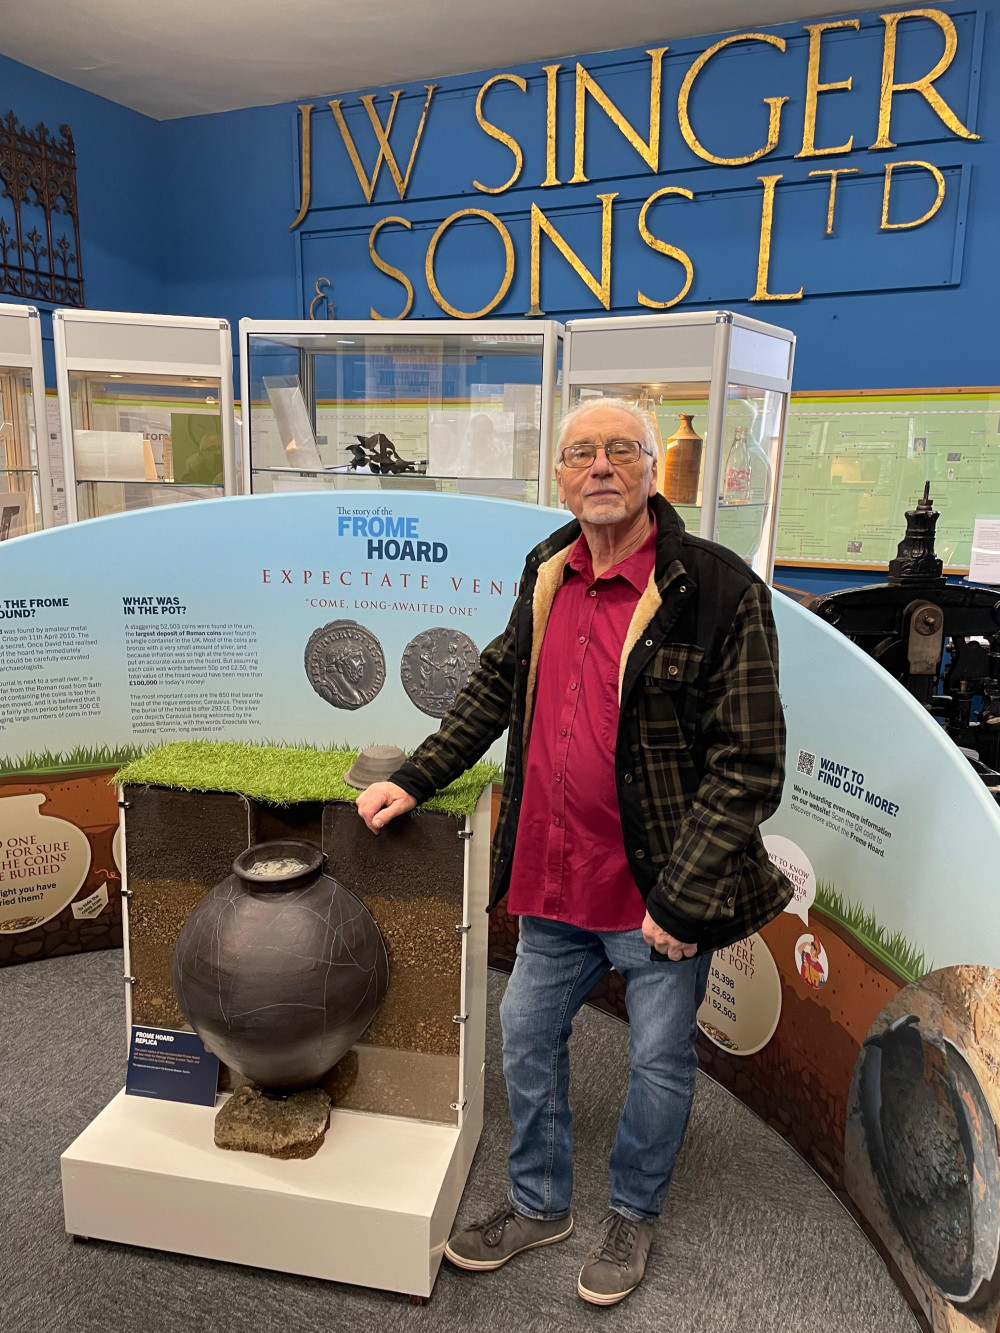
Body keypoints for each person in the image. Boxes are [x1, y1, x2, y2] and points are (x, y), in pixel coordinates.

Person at [356, 397, 791, 1305]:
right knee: (524, 1034)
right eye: (580, 453)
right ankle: (538, 1202)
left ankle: (631, 1213)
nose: (599, 467)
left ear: (649, 469)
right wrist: (422, 775)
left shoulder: (717, 591)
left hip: (657, 897)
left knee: (659, 1060)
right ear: (559, 474)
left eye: (620, 450)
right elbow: (497, 680)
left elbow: (748, 765)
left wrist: (681, 898)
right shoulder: (545, 567)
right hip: (552, 875)